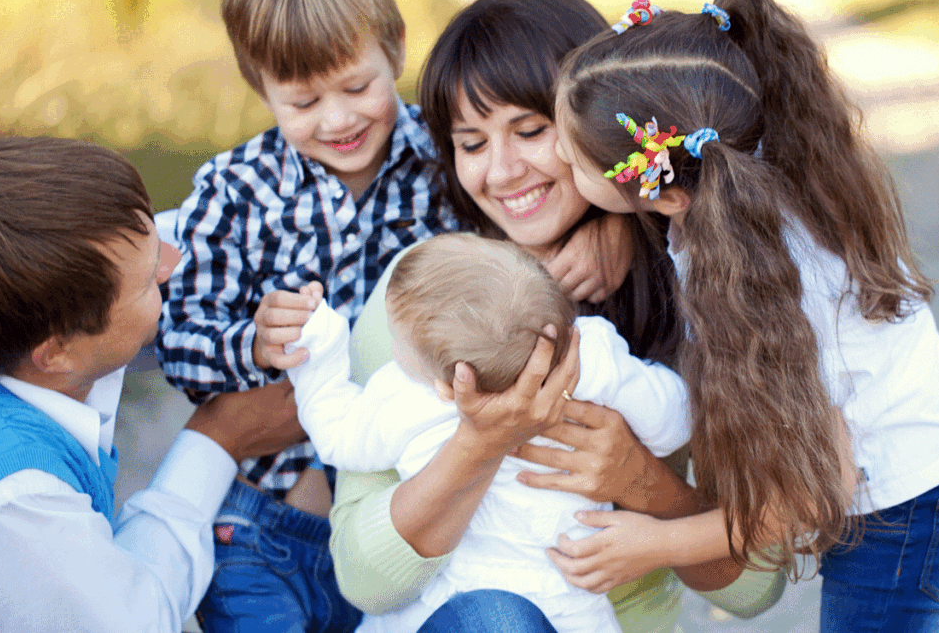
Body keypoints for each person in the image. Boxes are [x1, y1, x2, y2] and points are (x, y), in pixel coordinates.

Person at [156, 0, 622, 632]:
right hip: (267, 528)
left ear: (395, 47)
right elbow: (179, 337)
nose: (338, 118)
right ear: (260, 87)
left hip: (417, 513)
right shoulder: (235, 191)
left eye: (356, 86)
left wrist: (613, 232)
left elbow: (520, 240)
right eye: (304, 102)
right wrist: (250, 341)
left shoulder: (445, 158)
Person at [328, 0, 787, 633]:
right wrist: (480, 442)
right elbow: (362, 578)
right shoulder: (420, 295)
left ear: (593, 121)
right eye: (472, 142)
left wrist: (640, 477)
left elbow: (755, 587)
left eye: (530, 129)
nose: (504, 170)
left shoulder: (697, 288)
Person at [553, 0, 939, 632]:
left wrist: (652, 543)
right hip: (881, 465)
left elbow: (803, 496)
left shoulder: (775, 284)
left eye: (572, 159)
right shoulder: (732, 176)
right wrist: (606, 227)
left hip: (905, 502)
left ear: (661, 195)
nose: (555, 160)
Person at [0, 137, 301, 632]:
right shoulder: (13, 506)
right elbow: (134, 620)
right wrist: (218, 441)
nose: (175, 263)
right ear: (56, 351)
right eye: (152, 278)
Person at [280, 233, 689, 632]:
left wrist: (321, 345)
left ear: (447, 385)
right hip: (573, 601)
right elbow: (673, 424)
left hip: (445, 599)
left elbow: (335, 434)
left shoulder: (408, 401)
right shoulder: (591, 357)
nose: (393, 351)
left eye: (398, 344)